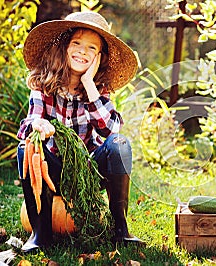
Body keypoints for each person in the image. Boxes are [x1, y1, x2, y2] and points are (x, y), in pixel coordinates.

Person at [16, 11, 143, 253]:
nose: (82, 51)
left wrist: (89, 85)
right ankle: (40, 235)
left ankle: (121, 231)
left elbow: (110, 129)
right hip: (53, 173)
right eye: (77, 44)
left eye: (91, 48)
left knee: (120, 143)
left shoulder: (99, 89)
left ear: (98, 58)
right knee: (27, 146)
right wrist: (38, 126)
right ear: (64, 47)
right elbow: (30, 121)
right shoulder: (44, 84)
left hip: (88, 172)